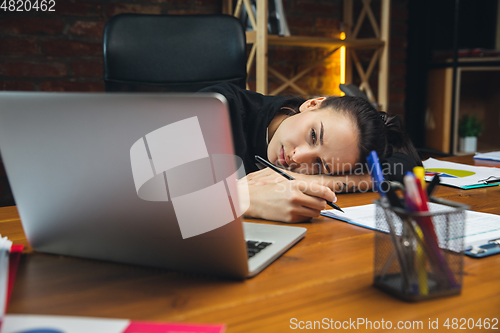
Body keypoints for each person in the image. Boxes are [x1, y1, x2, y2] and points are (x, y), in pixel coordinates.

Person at [199, 82, 421, 223]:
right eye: (313, 135)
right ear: (313, 103)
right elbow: (165, 203)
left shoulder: (317, 166)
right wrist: (243, 199)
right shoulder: (216, 108)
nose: (298, 157)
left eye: (319, 164)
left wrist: (311, 180)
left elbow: (408, 165)